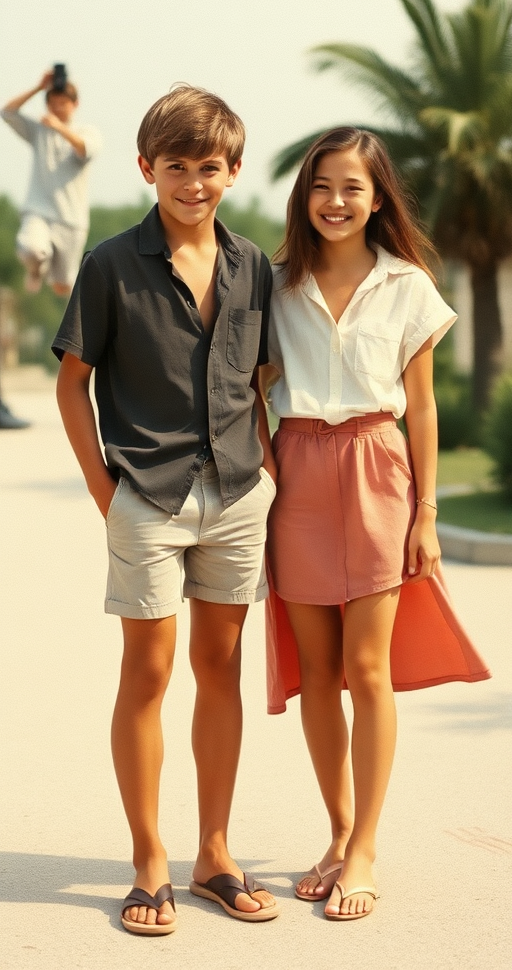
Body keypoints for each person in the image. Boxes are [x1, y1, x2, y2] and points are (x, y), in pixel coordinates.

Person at [52, 85, 280, 935]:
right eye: (176, 167)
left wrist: (268, 478)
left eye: (209, 168)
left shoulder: (253, 265)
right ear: (146, 168)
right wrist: (100, 487)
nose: (193, 183)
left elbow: (263, 383)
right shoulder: (112, 263)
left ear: (233, 171)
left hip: (236, 496)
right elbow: (74, 383)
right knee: (146, 676)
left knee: (220, 672)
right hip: (144, 494)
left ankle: (213, 853)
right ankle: (149, 860)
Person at [263, 127, 491, 922]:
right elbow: (256, 386)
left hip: (376, 468)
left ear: (377, 196)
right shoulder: (274, 284)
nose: (336, 201)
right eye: (322, 186)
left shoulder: (408, 285)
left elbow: (421, 405)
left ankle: (365, 849)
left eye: (352, 187)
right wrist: (263, 469)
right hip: (295, 476)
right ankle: (337, 832)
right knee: (316, 674)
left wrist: (427, 512)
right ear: (306, 195)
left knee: (368, 670)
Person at [1, 69, 102, 297]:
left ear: (75, 104)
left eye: (62, 103)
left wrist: (59, 128)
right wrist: (38, 87)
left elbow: (85, 149)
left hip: (71, 220)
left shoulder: (87, 131)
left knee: (63, 286)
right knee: (32, 249)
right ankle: (36, 271)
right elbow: (8, 112)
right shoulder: (39, 131)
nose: (57, 108)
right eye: (53, 103)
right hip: (38, 210)